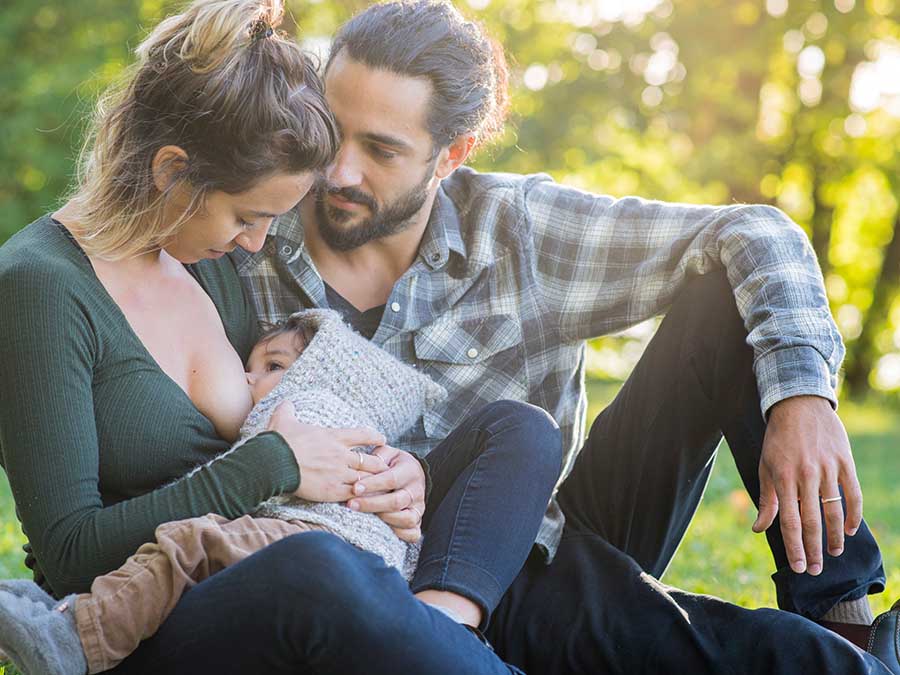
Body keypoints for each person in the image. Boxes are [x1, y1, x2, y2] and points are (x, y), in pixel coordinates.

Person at [225, 1, 899, 673]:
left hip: (533, 548)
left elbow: (756, 231)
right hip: (364, 572)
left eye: (380, 149)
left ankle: (843, 617)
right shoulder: (250, 233)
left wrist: (802, 398)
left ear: (451, 154)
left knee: (726, 292)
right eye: (331, 131)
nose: (339, 171)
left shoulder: (518, 230)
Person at [0, 1, 559, 673]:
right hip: (145, 621)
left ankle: (436, 635)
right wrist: (276, 466)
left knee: (516, 429)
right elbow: (69, 554)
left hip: (281, 550)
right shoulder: (39, 287)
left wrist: (392, 476)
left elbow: (282, 416)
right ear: (173, 171)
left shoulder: (205, 263)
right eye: (248, 216)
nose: (258, 243)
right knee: (314, 569)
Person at [0, 309, 562, 674]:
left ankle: (74, 638)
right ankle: (444, 645)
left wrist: (412, 474)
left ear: (321, 376)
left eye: (271, 366)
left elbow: (284, 482)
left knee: (185, 544)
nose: (248, 380)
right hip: (332, 570)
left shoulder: (299, 410)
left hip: (313, 542)